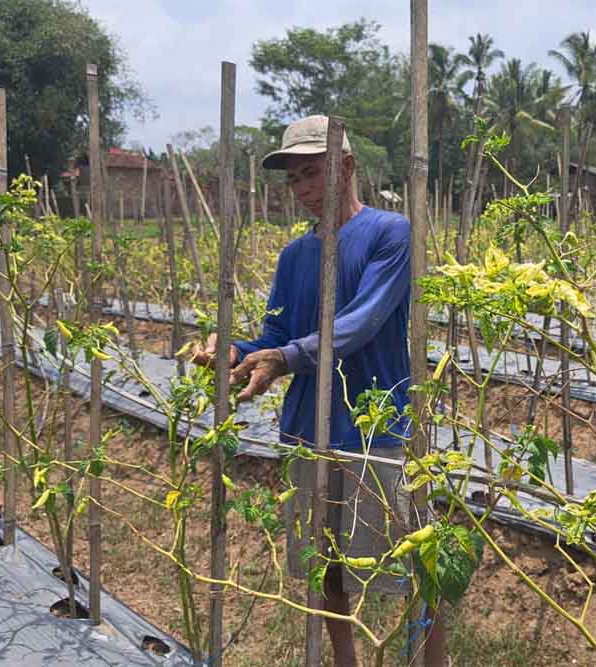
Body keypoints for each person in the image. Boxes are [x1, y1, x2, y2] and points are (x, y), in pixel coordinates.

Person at [192, 115, 444, 667]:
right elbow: (277, 334)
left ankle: (432, 661)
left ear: (347, 166)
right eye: (295, 181)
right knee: (323, 564)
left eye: (313, 174)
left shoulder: (390, 233)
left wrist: (283, 358)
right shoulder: (294, 257)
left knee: (418, 565)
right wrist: (236, 351)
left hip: (376, 429)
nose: (304, 191)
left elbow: (360, 324)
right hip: (307, 430)